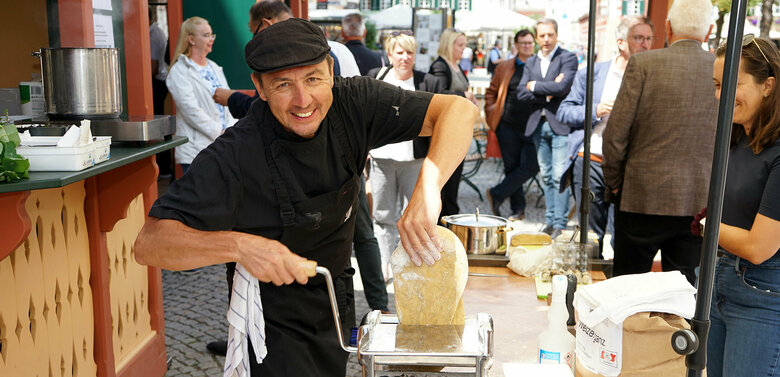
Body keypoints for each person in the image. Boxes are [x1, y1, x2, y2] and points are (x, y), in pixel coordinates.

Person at [134, 18, 477, 377]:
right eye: (283, 84)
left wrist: (427, 188)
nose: (303, 100)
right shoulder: (234, 155)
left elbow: (458, 111)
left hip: (334, 299)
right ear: (260, 88)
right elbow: (150, 243)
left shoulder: (353, 103)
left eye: (314, 79)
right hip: (274, 327)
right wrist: (241, 247)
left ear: (331, 70)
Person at [602, 0, 717, 285]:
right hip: (699, 200)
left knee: (628, 290)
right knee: (684, 293)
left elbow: (615, 133)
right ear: (710, 30)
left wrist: (614, 181)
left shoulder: (644, 63)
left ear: (667, 27)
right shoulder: (723, 69)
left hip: (641, 195)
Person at [704, 34, 780, 377]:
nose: (721, 95)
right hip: (719, 282)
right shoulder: (740, 139)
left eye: (732, 83)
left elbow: (758, 247)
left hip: (762, 296)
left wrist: (706, 227)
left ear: (768, 86)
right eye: (718, 84)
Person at [557, 16, 654, 256]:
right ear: (621, 43)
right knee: (590, 236)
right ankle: (587, 284)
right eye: (638, 38)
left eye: (649, 38)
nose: (645, 44)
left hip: (628, 166)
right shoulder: (592, 73)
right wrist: (595, 109)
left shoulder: (652, 76)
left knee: (623, 236)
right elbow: (564, 111)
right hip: (591, 160)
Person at [367, 32, 441, 281]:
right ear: (389, 54)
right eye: (399, 52)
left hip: (415, 161)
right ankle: (387, 264)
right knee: (383, 215)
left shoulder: (427, 82)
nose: (405, 57)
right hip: (382, 158)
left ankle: (414, 262)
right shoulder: (376, 77)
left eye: (409, 52)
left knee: (417, 215)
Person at [516, 19, 578, 238]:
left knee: (559, 176)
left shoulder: (567, 58)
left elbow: (563, 86)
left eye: (550, 35)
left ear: (556, 35)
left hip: (559, 124)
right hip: (537, 125)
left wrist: (535, 87)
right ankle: (550, 220)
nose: (546, 39)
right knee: (546, 175)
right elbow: (521, 94)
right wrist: (548, 91)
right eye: (542, 35)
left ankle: (559, 223)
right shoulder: (531, 62)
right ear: (536, 37)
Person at [166, 16, 236, 173]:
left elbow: (228, 101)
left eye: (211, 35)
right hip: (196, 151)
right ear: (191, 39)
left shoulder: (214, 67)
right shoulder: (179, 71)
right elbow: (190, 110)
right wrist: (219, 132)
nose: (211, 39)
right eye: (205, 35)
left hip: (224, 146)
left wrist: (231, 131)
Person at [484, 29, 538, 221]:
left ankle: (497, 193)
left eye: (530, 42)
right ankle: (518, 209)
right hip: (507, 125)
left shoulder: (539, 66)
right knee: (512, 166)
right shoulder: (504, 67)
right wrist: (492, 115)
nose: (527, 46)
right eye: (523, 43)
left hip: (532, 126)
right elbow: (491, 92)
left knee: (531, 165)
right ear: (516, 45)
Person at [428, 27, 479, 217]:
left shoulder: (455, 65)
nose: (464, 49)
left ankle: (450, 223)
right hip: (446, 134)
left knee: (453, 184)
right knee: (446, 186)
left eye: (464, 45)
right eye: (460, 45)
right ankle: (444, 225)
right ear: (449, 45)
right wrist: (464, 95)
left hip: (458, 132)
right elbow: (438, 94)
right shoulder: (440, 66)